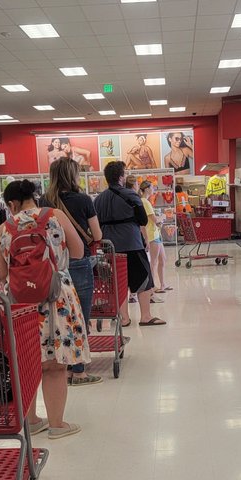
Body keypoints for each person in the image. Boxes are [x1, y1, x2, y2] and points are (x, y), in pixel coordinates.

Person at [0, 178, 87, 438]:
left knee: (28, 362)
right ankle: (57, 424)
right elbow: (79, 251)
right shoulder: (55, 215)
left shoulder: (4, 229)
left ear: (12, 204)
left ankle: (32, 420)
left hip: (22, 304)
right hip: (57, 296)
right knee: (55, 365)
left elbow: (0, 272)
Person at [42, 157, 103, 387]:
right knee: (80, 317)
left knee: (60, 318)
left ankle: (62, 368)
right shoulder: (84, 200)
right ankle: (79, 372)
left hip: (54, 265)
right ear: (73, 175)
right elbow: (97, 235)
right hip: (78, 261)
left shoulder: (44, 201)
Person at [95, 161, 166, 327]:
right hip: (132, 243)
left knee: (118, 281)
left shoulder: (98, 200)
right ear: (121, 177)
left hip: (109, 247)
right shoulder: (131, 195)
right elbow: (143, 220)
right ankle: (145, 316)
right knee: (143, 279)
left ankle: (124, 318)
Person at [140, 179, 172, 297]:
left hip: (156, 234)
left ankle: (162, 284)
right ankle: (151, 287)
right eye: (152, 187)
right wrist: (163, 216)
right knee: (153, 262)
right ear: (147, 189)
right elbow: (154, 219)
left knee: (162, 259)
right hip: (152, 235)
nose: (154, 189)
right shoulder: (145, 202)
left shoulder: (146, 201)